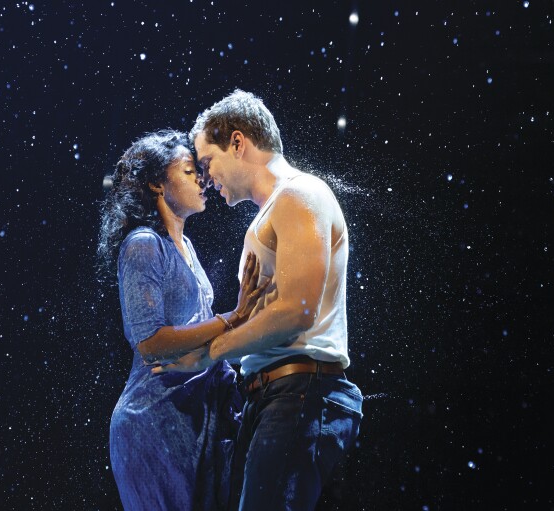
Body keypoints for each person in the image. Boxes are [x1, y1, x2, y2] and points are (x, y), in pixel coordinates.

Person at [155, 91, 364, 510]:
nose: (207, 177)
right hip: (275, 396)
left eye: (208, 161)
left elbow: (296, 311)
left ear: (238, 142)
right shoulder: (270, 212)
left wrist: (208, 354)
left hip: (300, 391)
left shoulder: (299, 194)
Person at [98, 130, 268, 511]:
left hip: (195, 412)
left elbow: (200, 331)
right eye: (191, 171)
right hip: (154, 418)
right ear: (157, 183)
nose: (203, 180)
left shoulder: (187, 246)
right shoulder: (143, 243)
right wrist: (231, 318)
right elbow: (150, 343)